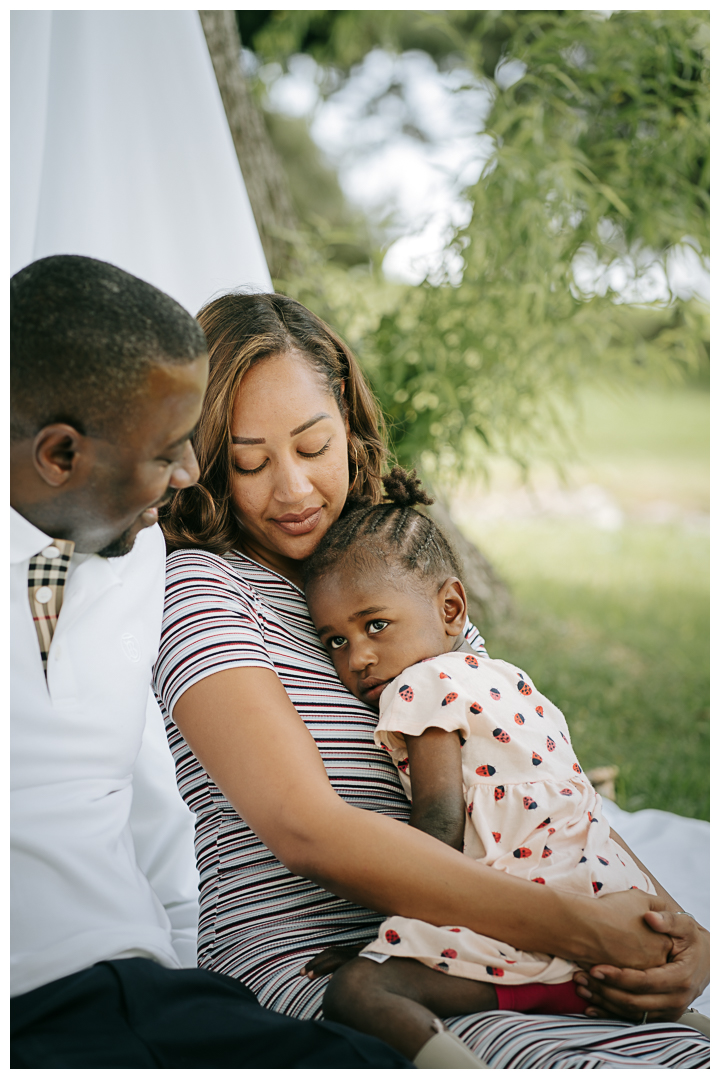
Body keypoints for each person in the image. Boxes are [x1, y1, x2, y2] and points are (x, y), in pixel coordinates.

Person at [154, 290, 709, 1069]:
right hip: (334, 969)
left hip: (498, 941)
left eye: (314, 447)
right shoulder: (205, 593)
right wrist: (576, 929)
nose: (293, 489)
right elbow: (306, 829)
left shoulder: (397, 577)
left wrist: (674, 932)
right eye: (250, 462)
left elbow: (538, 775)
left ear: (348, 425)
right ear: (209, 462)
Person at [10, 255, 415, 1070]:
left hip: (151, 986)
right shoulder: (189, 579)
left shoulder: (135, 556)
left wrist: (186, 960)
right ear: (59, 455)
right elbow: (305, 828)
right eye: (171, 451)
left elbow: (148, 798)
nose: (193, 474)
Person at [299, 466, 710, 1059]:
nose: (359, 656)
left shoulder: (419, 687)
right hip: (603, 911)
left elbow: (437, 828)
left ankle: (450, 1062)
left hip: (526, 913)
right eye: (335, 640)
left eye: (376, 625)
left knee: (357, 991)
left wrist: (388, 946)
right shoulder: (515, 683)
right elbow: (579, 804)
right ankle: (674, 1022)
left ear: (450, 608)